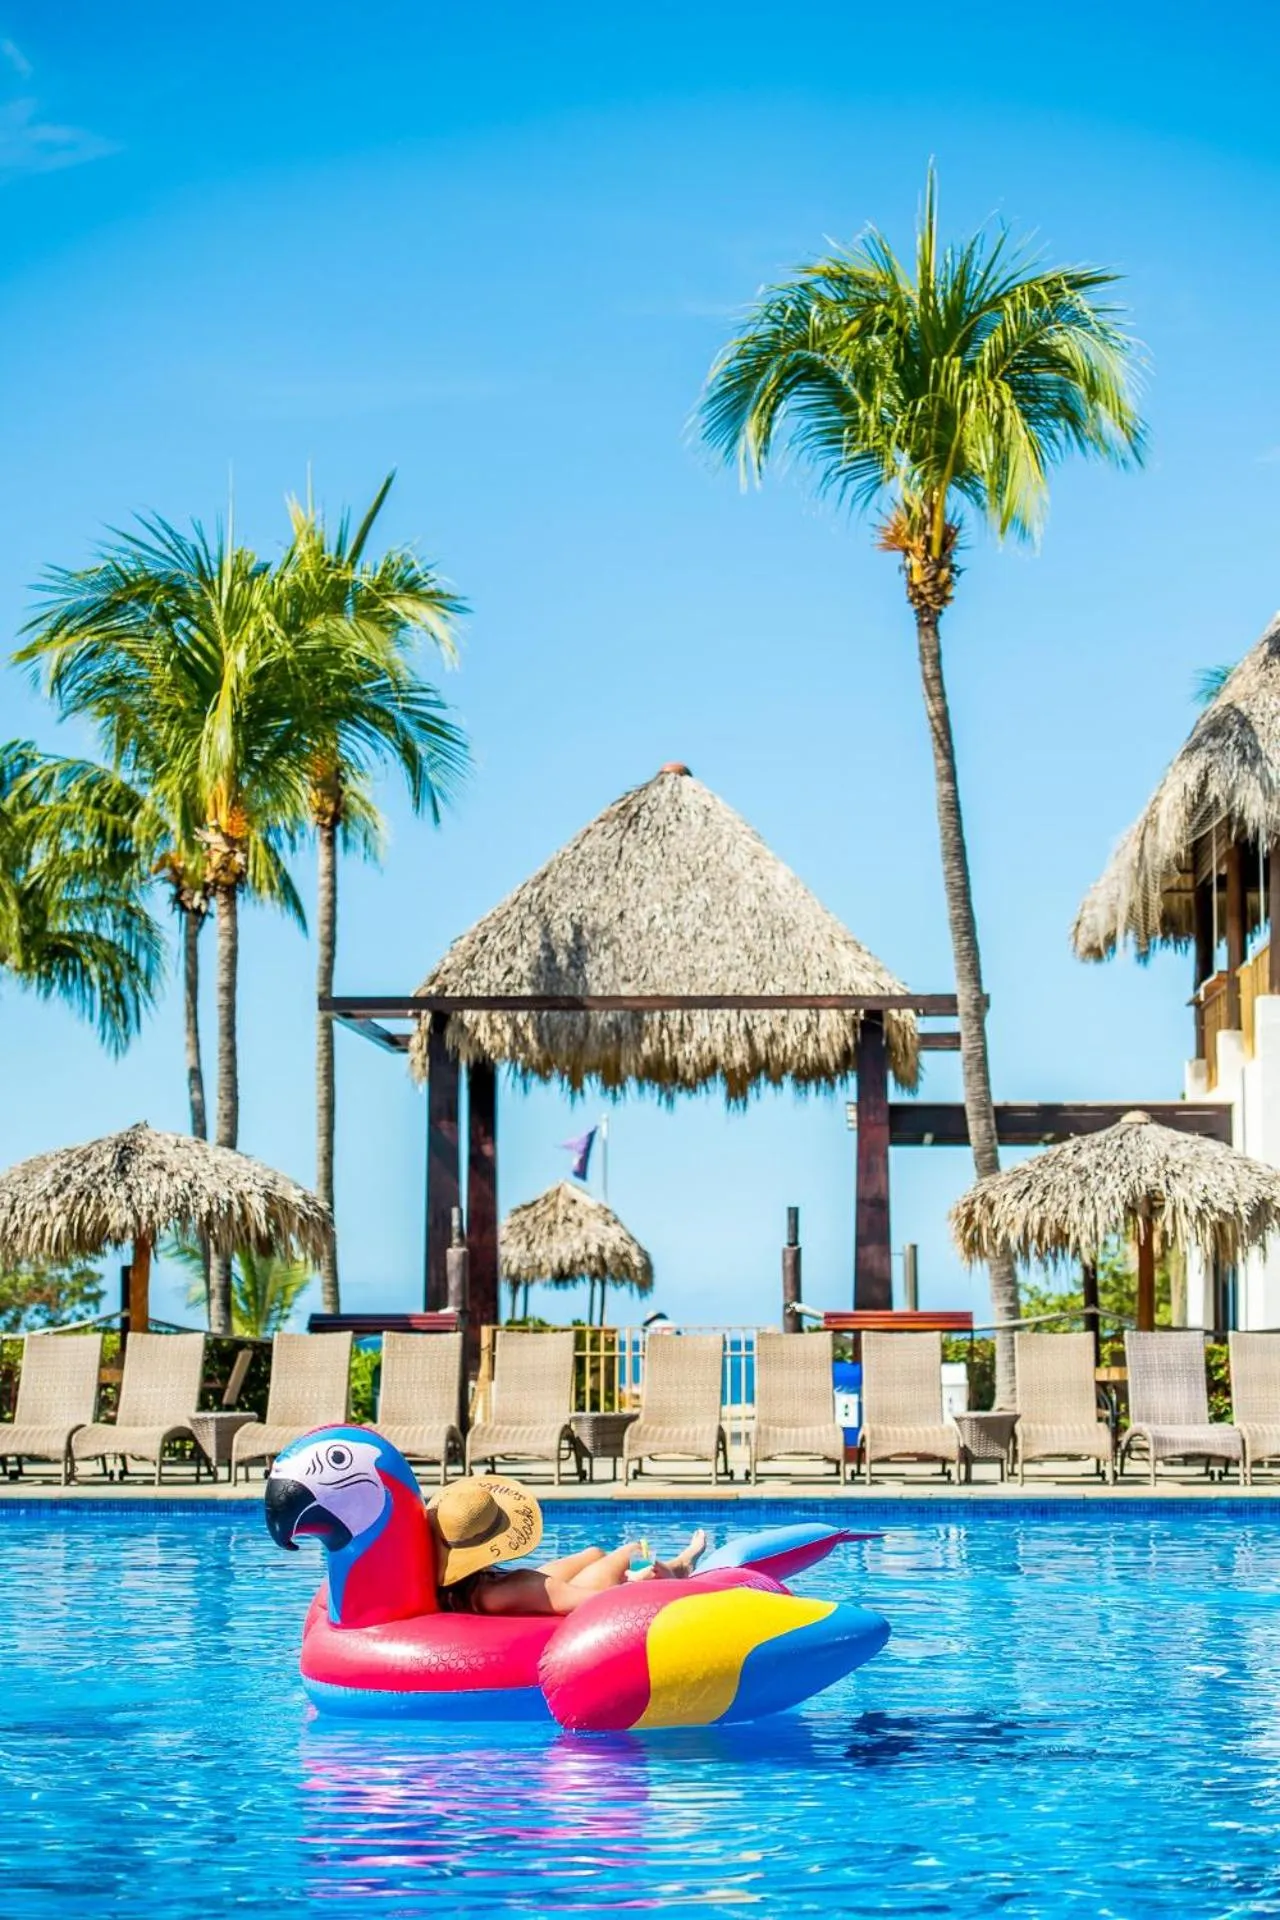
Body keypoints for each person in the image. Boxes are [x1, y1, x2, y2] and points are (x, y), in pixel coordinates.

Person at [427, 1474, 706, 1616]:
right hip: (579, 1596)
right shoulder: (519, 1586)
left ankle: (674, 1566)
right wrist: (636, 1585)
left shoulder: (455, 1589)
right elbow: (598, 1604)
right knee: (632, 1552)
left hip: (497, 1590)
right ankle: (679, 1567)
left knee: (594, 1553)